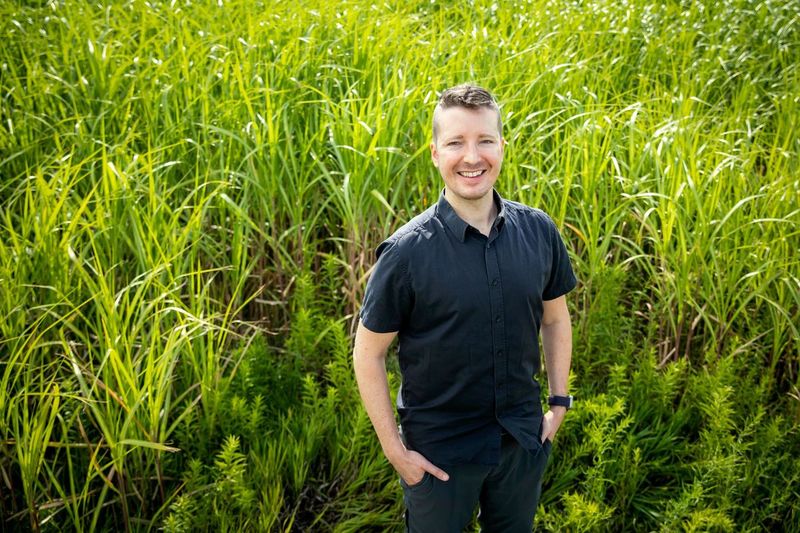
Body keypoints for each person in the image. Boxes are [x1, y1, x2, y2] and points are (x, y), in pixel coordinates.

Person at [353, 84, 577, 532]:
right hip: (439, 458)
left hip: (521, 442)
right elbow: (368, 353)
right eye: (456, 142)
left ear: (502, 147)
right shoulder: (405, 253)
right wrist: (396, 452)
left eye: (484, 141)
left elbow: (555, 319)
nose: (472, 157)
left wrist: (557, 402)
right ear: (435, 153)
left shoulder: (539, 231)